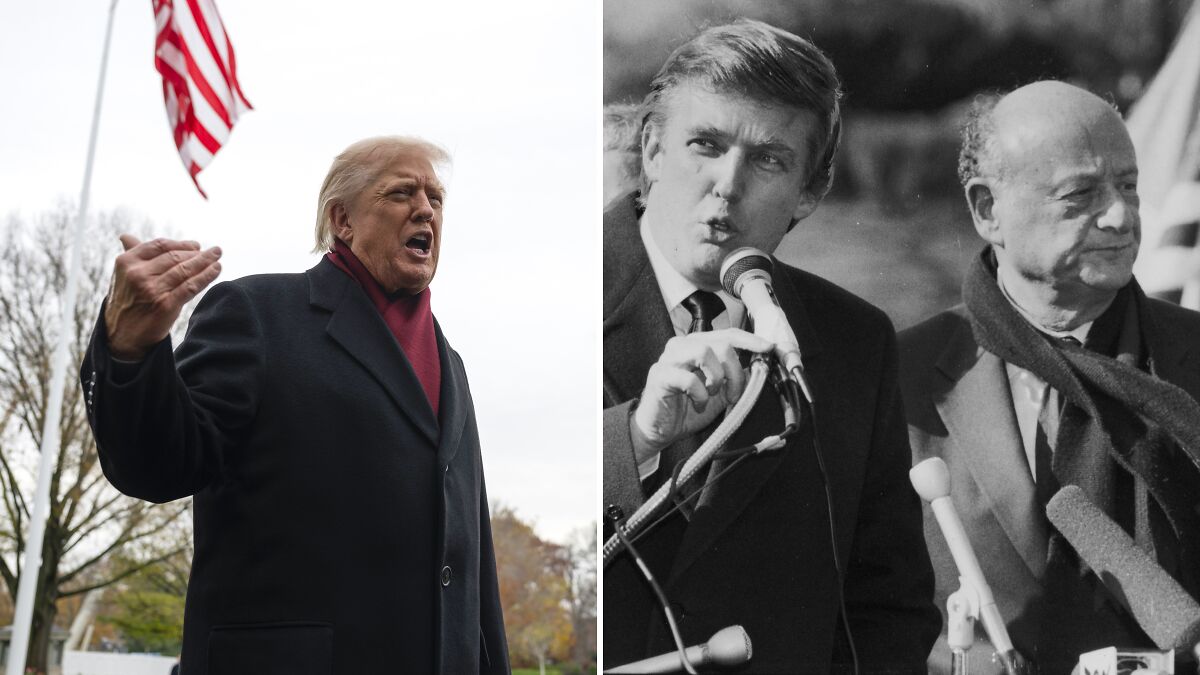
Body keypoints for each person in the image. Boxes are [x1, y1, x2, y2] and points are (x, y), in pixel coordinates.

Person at [80, 136, 510, 675]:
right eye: (401, 192)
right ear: (343, 220)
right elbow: (158, 464)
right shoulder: (257, 314)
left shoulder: (454, 366)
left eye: (436, 198)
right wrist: (131, 350)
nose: (425, 208)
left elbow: (473, 563)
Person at [602, 19, 940, 673]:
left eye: (769, 159)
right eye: (705, 143)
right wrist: (636, 438)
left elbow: (887, 605)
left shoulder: (855, 341)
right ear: (651, 149)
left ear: (810, 192)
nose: (728, 183)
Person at [900, 81, 1200, 674]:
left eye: (1129, 187)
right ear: (988, 209)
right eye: (1080, 195)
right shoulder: (903, 376)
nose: (1119, 216)